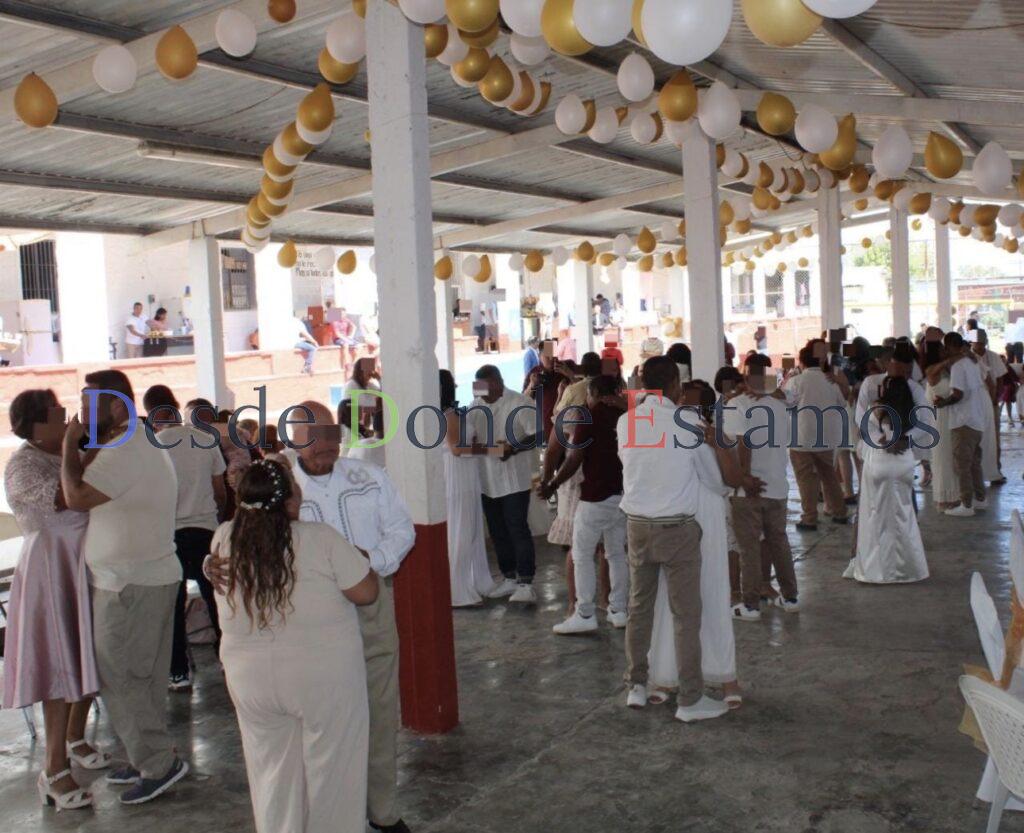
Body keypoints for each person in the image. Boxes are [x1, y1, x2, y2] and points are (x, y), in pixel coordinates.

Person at [212, 459, 379, 833]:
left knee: (271, 772)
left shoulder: (224, 537)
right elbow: (367, 592)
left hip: (250, 680)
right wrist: (360, 558)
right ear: (292, 499)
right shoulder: (319, 538)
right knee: (334, 770)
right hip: (322, 677)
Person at [272, 402, 414, 833]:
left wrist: (371, 562)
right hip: (311, 622)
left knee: (379, 714)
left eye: (331, 435)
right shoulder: (281, 489)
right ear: (293, 440)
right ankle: (333, 815)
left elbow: (402, 529)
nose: (326, 446)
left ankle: (382, 811)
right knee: (324, 721)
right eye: (313, 438)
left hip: (371, 609)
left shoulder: (368, 477)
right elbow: (247, 542)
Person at [59, 369, 188, 804]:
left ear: (116, 406)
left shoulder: (126, 448)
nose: (79, 413)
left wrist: (68, 445)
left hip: (130, 583)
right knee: (142, 677)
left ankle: (157, 764)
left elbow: (76, 497)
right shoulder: (131, 441)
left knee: (121, 677)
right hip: (142, 577)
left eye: (88, 404)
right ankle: (146, 752)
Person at [3, 389, 108, 811]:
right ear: (34, 425)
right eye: (58, 417)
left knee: (87, 656)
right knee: (59, 669)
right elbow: (68, 496)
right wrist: (73, 448)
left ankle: (75, 737)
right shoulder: (23, 465)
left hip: (84, 563)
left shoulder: (67, 452)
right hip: (51, 570)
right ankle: (54, 769)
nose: (67, 422)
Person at [617, 357, 731, 723]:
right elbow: (714, 481)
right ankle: (690, 699)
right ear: (675, 386)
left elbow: (631, 464)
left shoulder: (626, 422)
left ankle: (636, 685)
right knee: (685, 615)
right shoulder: (688, 423)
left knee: (639, 607)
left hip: (637, 526)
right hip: (677, 529)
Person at [648, 380, 752, 709]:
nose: (684, 407)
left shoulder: (709, 433)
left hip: (705, 518)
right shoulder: (666, 430)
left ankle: (724, 676)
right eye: (682, 401)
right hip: (675, 516)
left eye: (690, 403)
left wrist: (716, 445)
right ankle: (665, 675)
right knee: (672, 596)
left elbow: (729, 480)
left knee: (710, 593)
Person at [143, 384, 227, 692]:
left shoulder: (154, 445)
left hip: (170, 536)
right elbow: (220, 492)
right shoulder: (205, 439)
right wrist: (216, 521)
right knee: (217, 598)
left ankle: (179, 672)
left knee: (173, 605)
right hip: (206, 531)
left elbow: (150, 495)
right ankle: (228, 658)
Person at [540, 374, 629, 634]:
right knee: (616, 554)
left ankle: (585, 613)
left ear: (595, 394)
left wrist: (553, 484)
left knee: (581, 555)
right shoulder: (626, 416)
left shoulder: (587, 417)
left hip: (595, 496)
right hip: (622, 495)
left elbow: (574, 458)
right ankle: (618, 610)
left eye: (588, 394)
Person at [722, 353, 798, 621]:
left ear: (745, 375)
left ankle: (751, 605)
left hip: (750, 489)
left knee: (749, 549)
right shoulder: (779, 406)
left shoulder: (736, 404)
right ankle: (790, 598)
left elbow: (744, 443)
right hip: (777, 485)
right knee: (779, 543)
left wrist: (745, 478)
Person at [466, 365, 541, 604]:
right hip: (486, 480)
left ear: (497, 383)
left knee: (517, 529)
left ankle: (526, 582)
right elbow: (467, 436)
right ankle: (509, 577)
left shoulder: (520, 402)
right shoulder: (475, 406)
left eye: (486, 387)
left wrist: (513, 447)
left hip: (513, 480)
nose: (482, 393)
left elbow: (538, 434)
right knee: (497, 531)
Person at [844, 377, 929, 584]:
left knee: (874, 515)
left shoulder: (877, 409)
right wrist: (902, 439)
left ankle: (875, 569)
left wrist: (884, 440)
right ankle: (907, 569)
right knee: (904, 514)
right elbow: (925, 427)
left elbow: (864, 430)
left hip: (879, 462)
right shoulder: (912, 412)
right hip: (904, 463)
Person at [439, 370, 496, 607]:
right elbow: (457, 449)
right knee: (461, 531)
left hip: (464, 474)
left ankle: (473, 581)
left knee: (469, 530)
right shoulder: (448, 414)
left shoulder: (448, 413)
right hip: (458, 474)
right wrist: (493, 449)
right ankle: (457, 590)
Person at [783, 340, 849, 531]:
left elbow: (787, 402)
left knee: (806, 480)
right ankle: (839, 512)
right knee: (830, 477)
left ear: (802, 362)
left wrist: (786, 380)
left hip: (801, 439)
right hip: (826, 438)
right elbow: (842, 403)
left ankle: (809, 517)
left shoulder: (796, 381)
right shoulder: (830, 380)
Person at [933, 332, 988, 517]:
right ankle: (980, 499)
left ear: (949, 346)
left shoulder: (958, 366)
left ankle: (966, 504)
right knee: (974, 463)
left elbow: (958, 394)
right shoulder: (973, 362)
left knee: (962, 465)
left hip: (963, 421)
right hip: (976, 419)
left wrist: (942, 403)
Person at [923, 330, 960, 510]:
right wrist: (951, 358)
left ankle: (954, 495)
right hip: (940, 420)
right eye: (942, 349)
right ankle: (944, 497)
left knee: (951, 457)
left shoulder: (947, 370)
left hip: (950, 416)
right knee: (943, 458)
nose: (945, 351)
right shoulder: (932, 370)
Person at [972, 329, 1007, 484]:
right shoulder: (968, 358)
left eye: (981, 343)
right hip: (973, 404)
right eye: (976, 343)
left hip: (991, 402)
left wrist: (995, 399)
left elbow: (1000, 380)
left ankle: (995, 470)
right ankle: (976, 472)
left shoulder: (993, 357)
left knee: (994, 437)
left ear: (986, 342)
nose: (979, 346)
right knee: (975, 437)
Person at [330, 307, 359, 373]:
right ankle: (347, 364)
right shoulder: (334, 321)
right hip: (337, 339)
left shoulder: (346, 320)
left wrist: (351, 336)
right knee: (345, 345)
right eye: (341, 314)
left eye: (344, 314)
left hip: (346, 338)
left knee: (358, 346)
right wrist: (346, 340)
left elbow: (354, 327)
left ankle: (353, 364)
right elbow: (337, 334)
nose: (343, 315)